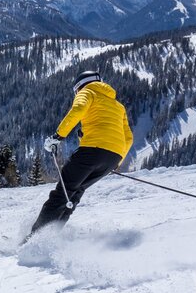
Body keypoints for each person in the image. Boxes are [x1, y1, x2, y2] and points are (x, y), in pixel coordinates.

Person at [26, 71, 133, 241]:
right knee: (74, 193)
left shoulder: (87, 92)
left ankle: (32, 240)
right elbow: (129, 137)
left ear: (78, 87)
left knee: (62, 194)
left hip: (91, 152)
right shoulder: (118, 106)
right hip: (113, 157)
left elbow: (78, 109)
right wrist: (116, 162)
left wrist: (58, 136)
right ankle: (49, 238)